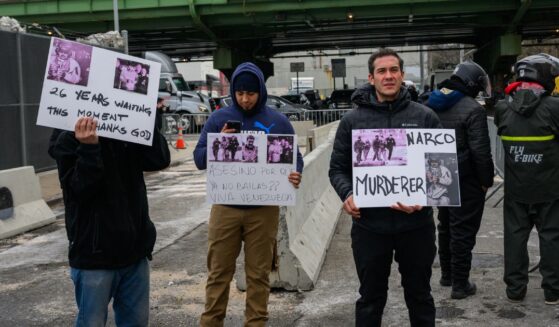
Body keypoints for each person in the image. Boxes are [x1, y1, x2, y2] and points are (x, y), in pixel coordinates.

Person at [329, 48, 441, 327]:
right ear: (371, 78)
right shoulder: (352, 122)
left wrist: (425, 198)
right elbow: (337, 169)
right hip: (369, 227)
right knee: (370, 298)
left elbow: (441, 171)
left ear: (402, 75)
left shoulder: (426, 117)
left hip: (416, 226)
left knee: (420, 296)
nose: (388, 76)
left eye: (394, 70)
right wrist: (348, 194)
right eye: (382, 71)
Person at [193, 62, 304, 327]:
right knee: (219, 272)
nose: (245, 99)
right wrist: (218, 143)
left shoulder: (277, 121)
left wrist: (295, 173)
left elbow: (295, 158)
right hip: (225, 207)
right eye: (240, 93)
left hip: (263, 209)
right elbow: (198, 159)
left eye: (251, 93)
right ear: (233, 91)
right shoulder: (218, 119)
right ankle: (211, 322)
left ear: (261, 92)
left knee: (259, 274)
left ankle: (255, 323)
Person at [48, 116, 171, 327]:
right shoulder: (68, 131)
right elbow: (79, 190)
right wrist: (89, 148)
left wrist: (146, 117)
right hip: (94, 255)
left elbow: (159, 159)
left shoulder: (128, 123)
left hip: (135, 252)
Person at [425, 60, 495, 299]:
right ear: (472, 83)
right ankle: (460, 284)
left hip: (438, 176)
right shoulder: (473, 109)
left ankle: (447, 275)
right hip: (466, 178)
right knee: (463, 230)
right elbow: (481, 151)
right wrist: (485, 180)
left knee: (445, 226)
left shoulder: (431, 102)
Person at [494, 53, 559, 305]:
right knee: (552, 236)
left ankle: (515, 289)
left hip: (516, 188)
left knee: (514, 238)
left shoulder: (503, 108)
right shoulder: (554, 107)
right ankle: (553, 290)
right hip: (550, 187)